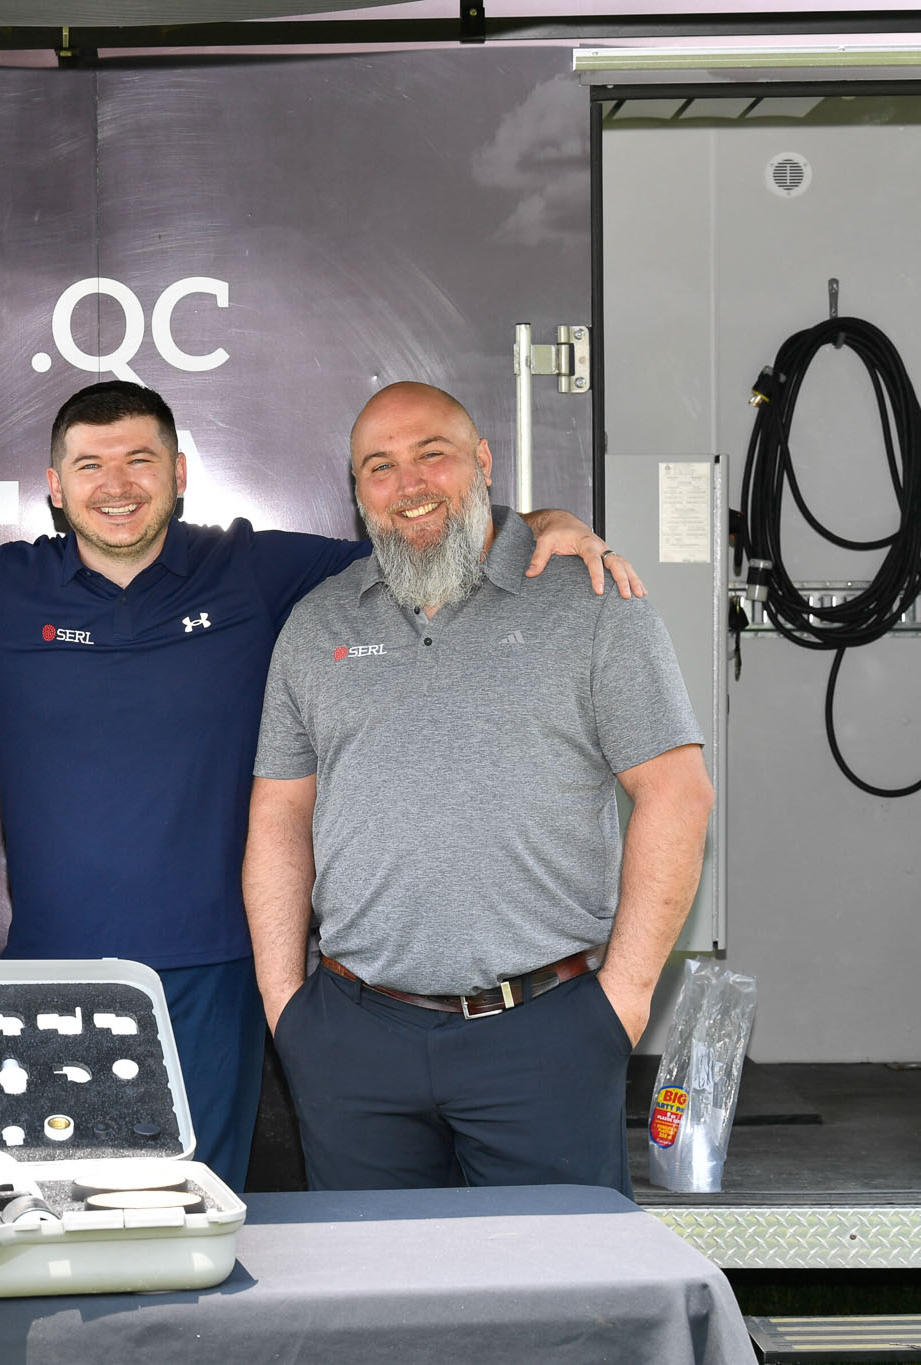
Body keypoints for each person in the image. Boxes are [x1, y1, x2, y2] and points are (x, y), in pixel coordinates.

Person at [0, 380, 636, 1192]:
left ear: (178, 473)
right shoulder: (0, 590)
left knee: (192, 1219)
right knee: (52, 1225)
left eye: (139, 459)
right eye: (88, 464)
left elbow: (421, 528)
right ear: (54, 486)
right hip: (49, 976)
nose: (116, 483)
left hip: (215, 976)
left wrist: (545, 520)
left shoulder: (255, 574)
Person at [246, 381, 712, 1194]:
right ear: (357, 491)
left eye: (433, 454)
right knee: (371, 1274)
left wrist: (624, 1001)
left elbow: (678, 793)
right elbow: (280, 815)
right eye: (380, 467)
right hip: (354, 1043)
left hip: (546, 1037)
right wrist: (287, 1005)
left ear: (484, 461)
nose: (409, 484)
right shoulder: (317, 625)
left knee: (554, 1276)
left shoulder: (593, 601)